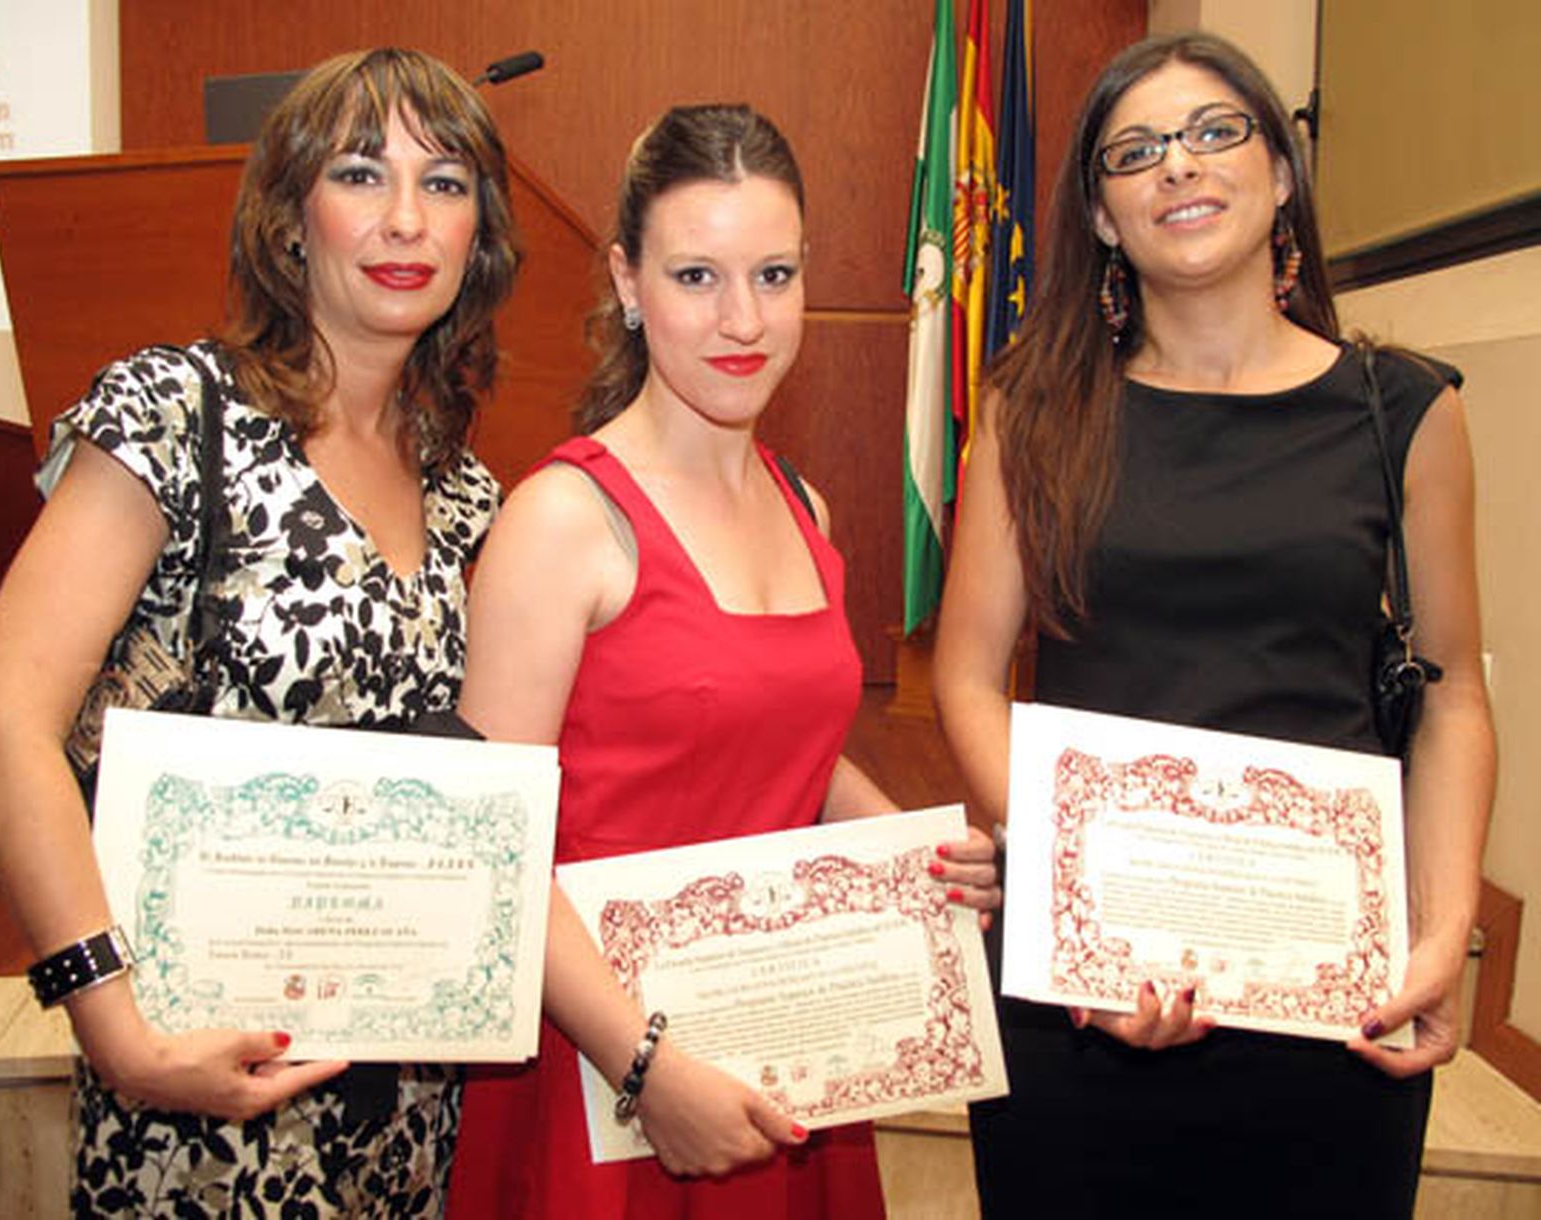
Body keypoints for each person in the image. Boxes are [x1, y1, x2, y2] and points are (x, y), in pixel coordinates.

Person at [932, 31, 1496, 1220]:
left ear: (1283, 172)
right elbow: (970, 676)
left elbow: (1450, 696)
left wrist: (1444, 934)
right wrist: (1064, 899)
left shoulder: (1407, 412)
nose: (1176, 167)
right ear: (1097, 213)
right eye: (1135, 152)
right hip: (1083, 995)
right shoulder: (1029, 413)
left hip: (1330, 997)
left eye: (1213, 132)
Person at [0, 47, 520, 1215]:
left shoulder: (470, 493)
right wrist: (117, 1028)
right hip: (194, 1085)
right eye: (362, 174)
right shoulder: (176, 412)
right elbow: (3, 728)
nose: (407, 217)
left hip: (403, 1098)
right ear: (288, 218)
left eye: (447, 181)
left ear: (481, 235)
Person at [444, 104, 999, 1219]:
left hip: (777, 1041)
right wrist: (647, 1067)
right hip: (603, 1062)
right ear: (627, 283)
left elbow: (789, 753)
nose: (742, 318)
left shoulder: (805, 506)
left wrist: (910, 848)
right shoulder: (563, 517)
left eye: (775, 273)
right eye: (696, 276)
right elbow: (486, 840)